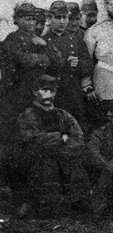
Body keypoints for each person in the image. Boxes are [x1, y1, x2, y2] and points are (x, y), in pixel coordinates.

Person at [14, 75, 102, 216]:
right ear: (35, 92)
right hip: (39, 162)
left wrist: (60, 147)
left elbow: (78, 137)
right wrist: (61, 138)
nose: (48, 94)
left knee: (79, 167)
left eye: (52, 91)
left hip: (65, 159)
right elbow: (33, 141)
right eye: (44, 90)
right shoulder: (28, 116)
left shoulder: (64, 115)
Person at [3, 3, 63, 124]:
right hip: (18, 90)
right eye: (27, 19)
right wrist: (44, 59)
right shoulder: (12, 39)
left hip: (38, 91)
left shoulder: (40, 39)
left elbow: (58, 61)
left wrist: (44, 45)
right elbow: (22, 59)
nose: (31, 23)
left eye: (33, 19)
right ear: (17, 20)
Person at [42, 0, 94, 129]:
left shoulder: (76, 40)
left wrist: (78, 63)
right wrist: (64, 63)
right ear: (50, 19)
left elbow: (89, 66)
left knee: (76, 128)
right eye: (57, 18)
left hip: (74, 93)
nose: (61, 21)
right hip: (53, 94)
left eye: (64, 18)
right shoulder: (43, 41)